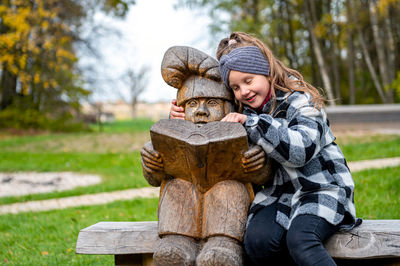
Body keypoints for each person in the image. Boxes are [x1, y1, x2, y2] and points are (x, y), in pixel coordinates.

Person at [170, 32, 361, 266]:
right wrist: (180, 119)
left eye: (248, 81)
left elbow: (301, 150)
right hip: (279, 194)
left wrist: (251, 123)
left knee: (301, 239)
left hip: (321, 190)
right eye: (236, 87)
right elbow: (210, 138)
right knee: (256, 242)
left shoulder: (302, 101)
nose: (244, 91)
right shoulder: (246, 110)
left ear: (267, 72)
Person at [142, 45, 274, 266]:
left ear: (229, 107)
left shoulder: (245, 129)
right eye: (192, 104)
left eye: (212, 103)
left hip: (225, 208)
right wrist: (152, 163)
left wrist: (259, 164)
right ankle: (176, 242)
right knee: (177, 187)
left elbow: (264, 177)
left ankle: (223, 244)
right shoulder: (176, 132)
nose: (201, 111)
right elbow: (154, 180)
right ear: (181, 108)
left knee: (229, 188)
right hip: (183, 202)